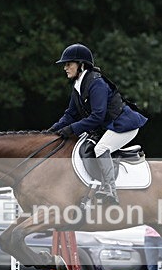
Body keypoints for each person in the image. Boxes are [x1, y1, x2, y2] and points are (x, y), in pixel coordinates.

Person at [48, 43, 147, 205]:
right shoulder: (78, 85)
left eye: (68, 64)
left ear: (81, 65)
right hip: (109, 126)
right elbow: (70, 114)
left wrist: (71, 129)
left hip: (124, 126)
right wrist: (51, 132)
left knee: (100, 148)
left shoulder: (96, 83)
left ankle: (110, 188)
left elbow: (97, 117)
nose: (65, 68)